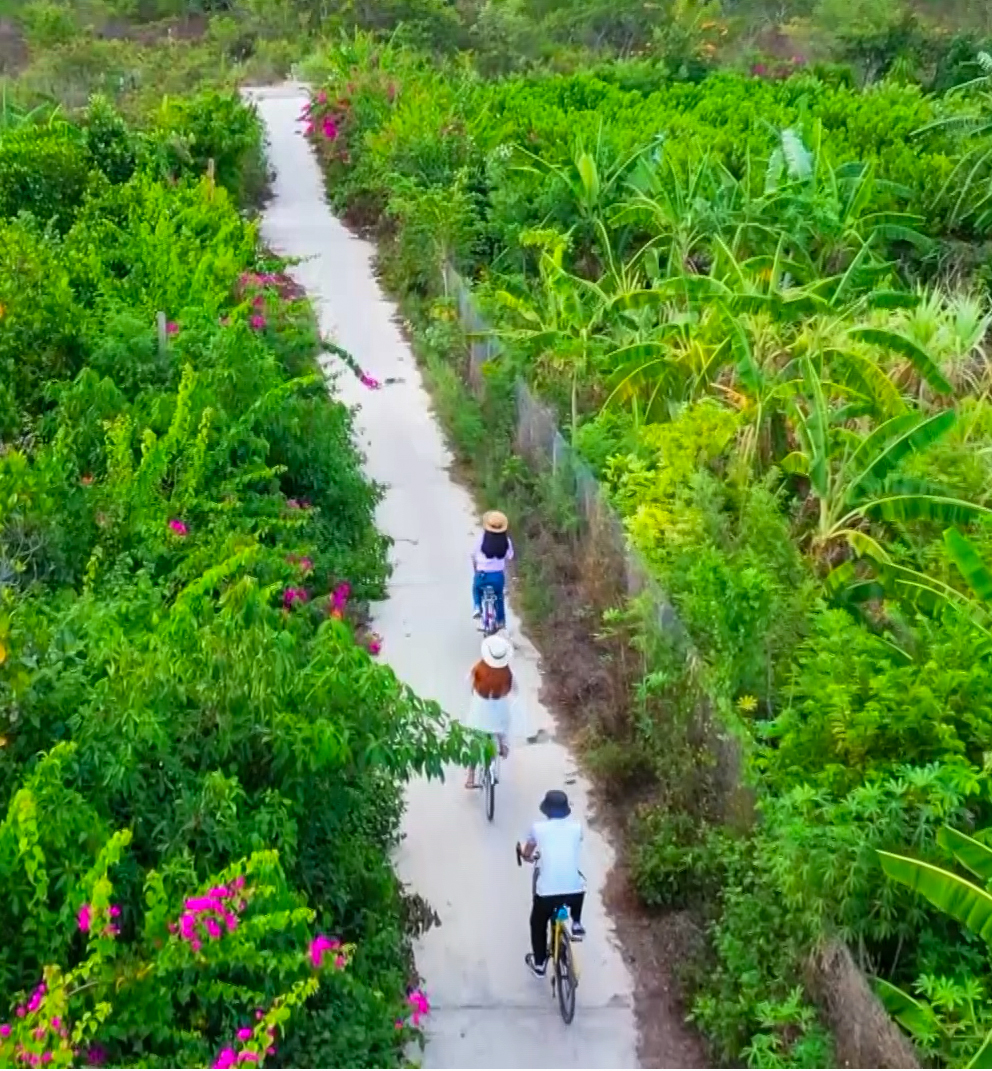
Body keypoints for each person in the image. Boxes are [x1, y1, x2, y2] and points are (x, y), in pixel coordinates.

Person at [518, 789, 586, 977]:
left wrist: (526, 856)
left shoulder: (537, 828)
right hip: (574, 893)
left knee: (537, 923)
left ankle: (539, 965)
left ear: (546, 810)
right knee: (578, 884)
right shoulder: (577, 827)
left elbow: (528, 851)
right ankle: (577, 923)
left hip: (547, 894)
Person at [464, 634, 516, 789]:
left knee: (474, 739)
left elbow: (466, 682)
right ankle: (503, 745)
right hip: (498, 716)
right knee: (503, 723)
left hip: (479, 715)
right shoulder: (507, 673)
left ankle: (471, 776)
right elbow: (515, 690)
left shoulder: (478, 668)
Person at [472, 510, 514, 630]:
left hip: (482, 575)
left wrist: (476, 568)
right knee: (499, 597)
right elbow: (510, 556)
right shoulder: (506, 541)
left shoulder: (481, 539)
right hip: (497, 577)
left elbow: (473, 555)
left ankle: (477, 607)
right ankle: (500, 622)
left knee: (476, 589)